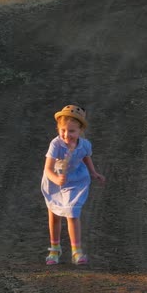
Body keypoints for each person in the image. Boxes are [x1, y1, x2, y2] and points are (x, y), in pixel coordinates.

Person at [41, 105, 105, 265]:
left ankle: (76, 250)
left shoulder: (84, 145)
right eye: (63, 130)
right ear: (58, 129)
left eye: (72, 131)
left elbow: (85, 157)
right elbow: (47, 168)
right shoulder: (56, 144)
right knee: (54, 215)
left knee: (72, 213)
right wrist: (55, 179)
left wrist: (93, 172)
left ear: (80, 131)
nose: (66, 134)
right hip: (55, 182)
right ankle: (55, 248)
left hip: (75, 181)